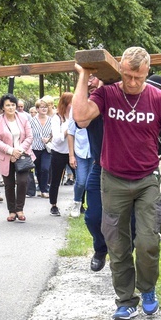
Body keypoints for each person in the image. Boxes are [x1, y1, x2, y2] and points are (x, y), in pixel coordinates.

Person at [73, 46, 161, 320]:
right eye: (127, 76)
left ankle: (148, 290)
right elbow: (80, 116)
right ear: (120, 70)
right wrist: (84, 73)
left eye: (138, 77)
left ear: (148, 72)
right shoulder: (108, 94)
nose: (132, 82)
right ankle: (125, 300)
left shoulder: (160, 99)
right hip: (112, 180)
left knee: (148, 241)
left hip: (147, 180)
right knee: (117, 243)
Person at [0, 94, 34, 222]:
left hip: (22, 156)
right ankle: (11, 211)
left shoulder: (23, 118)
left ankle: (19, 209)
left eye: (13, 105)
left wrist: (18, 151)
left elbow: (29, 137)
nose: (11, 107)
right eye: (8, 105)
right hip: (5, 156)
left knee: (22, 182)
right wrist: (11, 151)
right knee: (9, 185)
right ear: (2, 107)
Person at [67, 79, 96, 218]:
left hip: (95, 151)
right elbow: (70, 132)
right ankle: (77, 202)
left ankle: (91, 206)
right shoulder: (76, 106)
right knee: (81, 181)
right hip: (80, 150)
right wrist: (71, 155)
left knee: (92, 182)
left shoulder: (98, 104)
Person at [48, 92, 73, 216]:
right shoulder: (57, 118)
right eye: (71, 102)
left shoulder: (75, 116)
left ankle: (79, 203)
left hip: (72, 152)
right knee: (56, 180)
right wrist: (67, 131)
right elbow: (56, 139)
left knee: (81, 179)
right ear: (66, 103)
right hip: (58, 152)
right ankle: (53, 205)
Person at [31, 96, 54, 198]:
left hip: (47, 148)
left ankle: (44, 190)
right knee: (38, 169)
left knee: (45, 168)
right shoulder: (31, 121)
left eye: (45, 107)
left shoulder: (51, 120)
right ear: (37, 109)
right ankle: (40, 187)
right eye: (41, 107)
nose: (44, 109)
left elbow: (55, 133)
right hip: (34, 148)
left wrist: (49, 139)